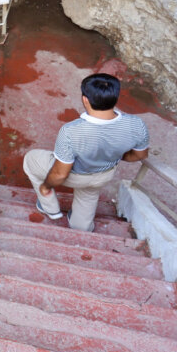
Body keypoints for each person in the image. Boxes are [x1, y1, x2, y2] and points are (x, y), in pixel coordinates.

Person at [22, 73, 150, 232]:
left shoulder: (71, 131)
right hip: (104, 175)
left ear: (85, 99)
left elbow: (61, 174)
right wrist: (115, 154)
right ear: (115, 97)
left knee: (30, 160)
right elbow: (140, 155)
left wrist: (46, 187)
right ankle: (80, 227)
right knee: (88, 196)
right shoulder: (137, 124)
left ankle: (50, 208)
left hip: (74, 176)